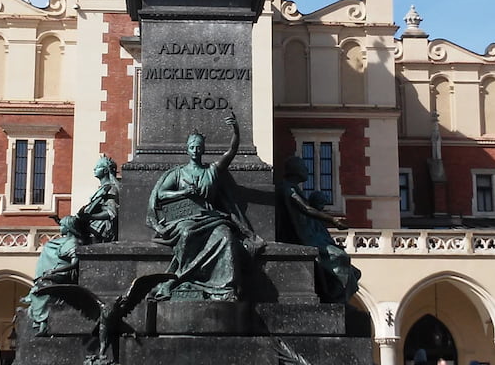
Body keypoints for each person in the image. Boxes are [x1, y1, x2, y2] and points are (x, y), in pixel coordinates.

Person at [147, 111, 259, 300]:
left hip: (210, 218)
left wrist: (236, 131)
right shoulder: (178, 173)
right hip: (185, 218)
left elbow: (231, 152)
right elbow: (161, 194)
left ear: (203, 149)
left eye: (199, 147)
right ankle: (179, 278)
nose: (195, 150)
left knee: (227, 237)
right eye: (192, 147)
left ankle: (224, 287)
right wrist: (183, 192)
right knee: (186, 234)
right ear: (187, 150)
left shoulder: (212, 170)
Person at [275, 159, 361, 303]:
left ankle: (337, 298)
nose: (307, 170)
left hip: (307, 235)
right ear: (295, 170)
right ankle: (335, 298)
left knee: (352, 270)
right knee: (340, 257)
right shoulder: (287, 188)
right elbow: (306, 209)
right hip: (301, 237)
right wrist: (333, 220)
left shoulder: (293, 188)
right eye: (304, 167)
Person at [72, 155, 120, 244]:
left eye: (98, 167)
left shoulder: (110, 189)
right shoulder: (102, 189)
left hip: (99, 230)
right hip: (92, 227)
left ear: (105, 170)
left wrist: (90, 217)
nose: (94, 169)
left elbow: (112, 213)